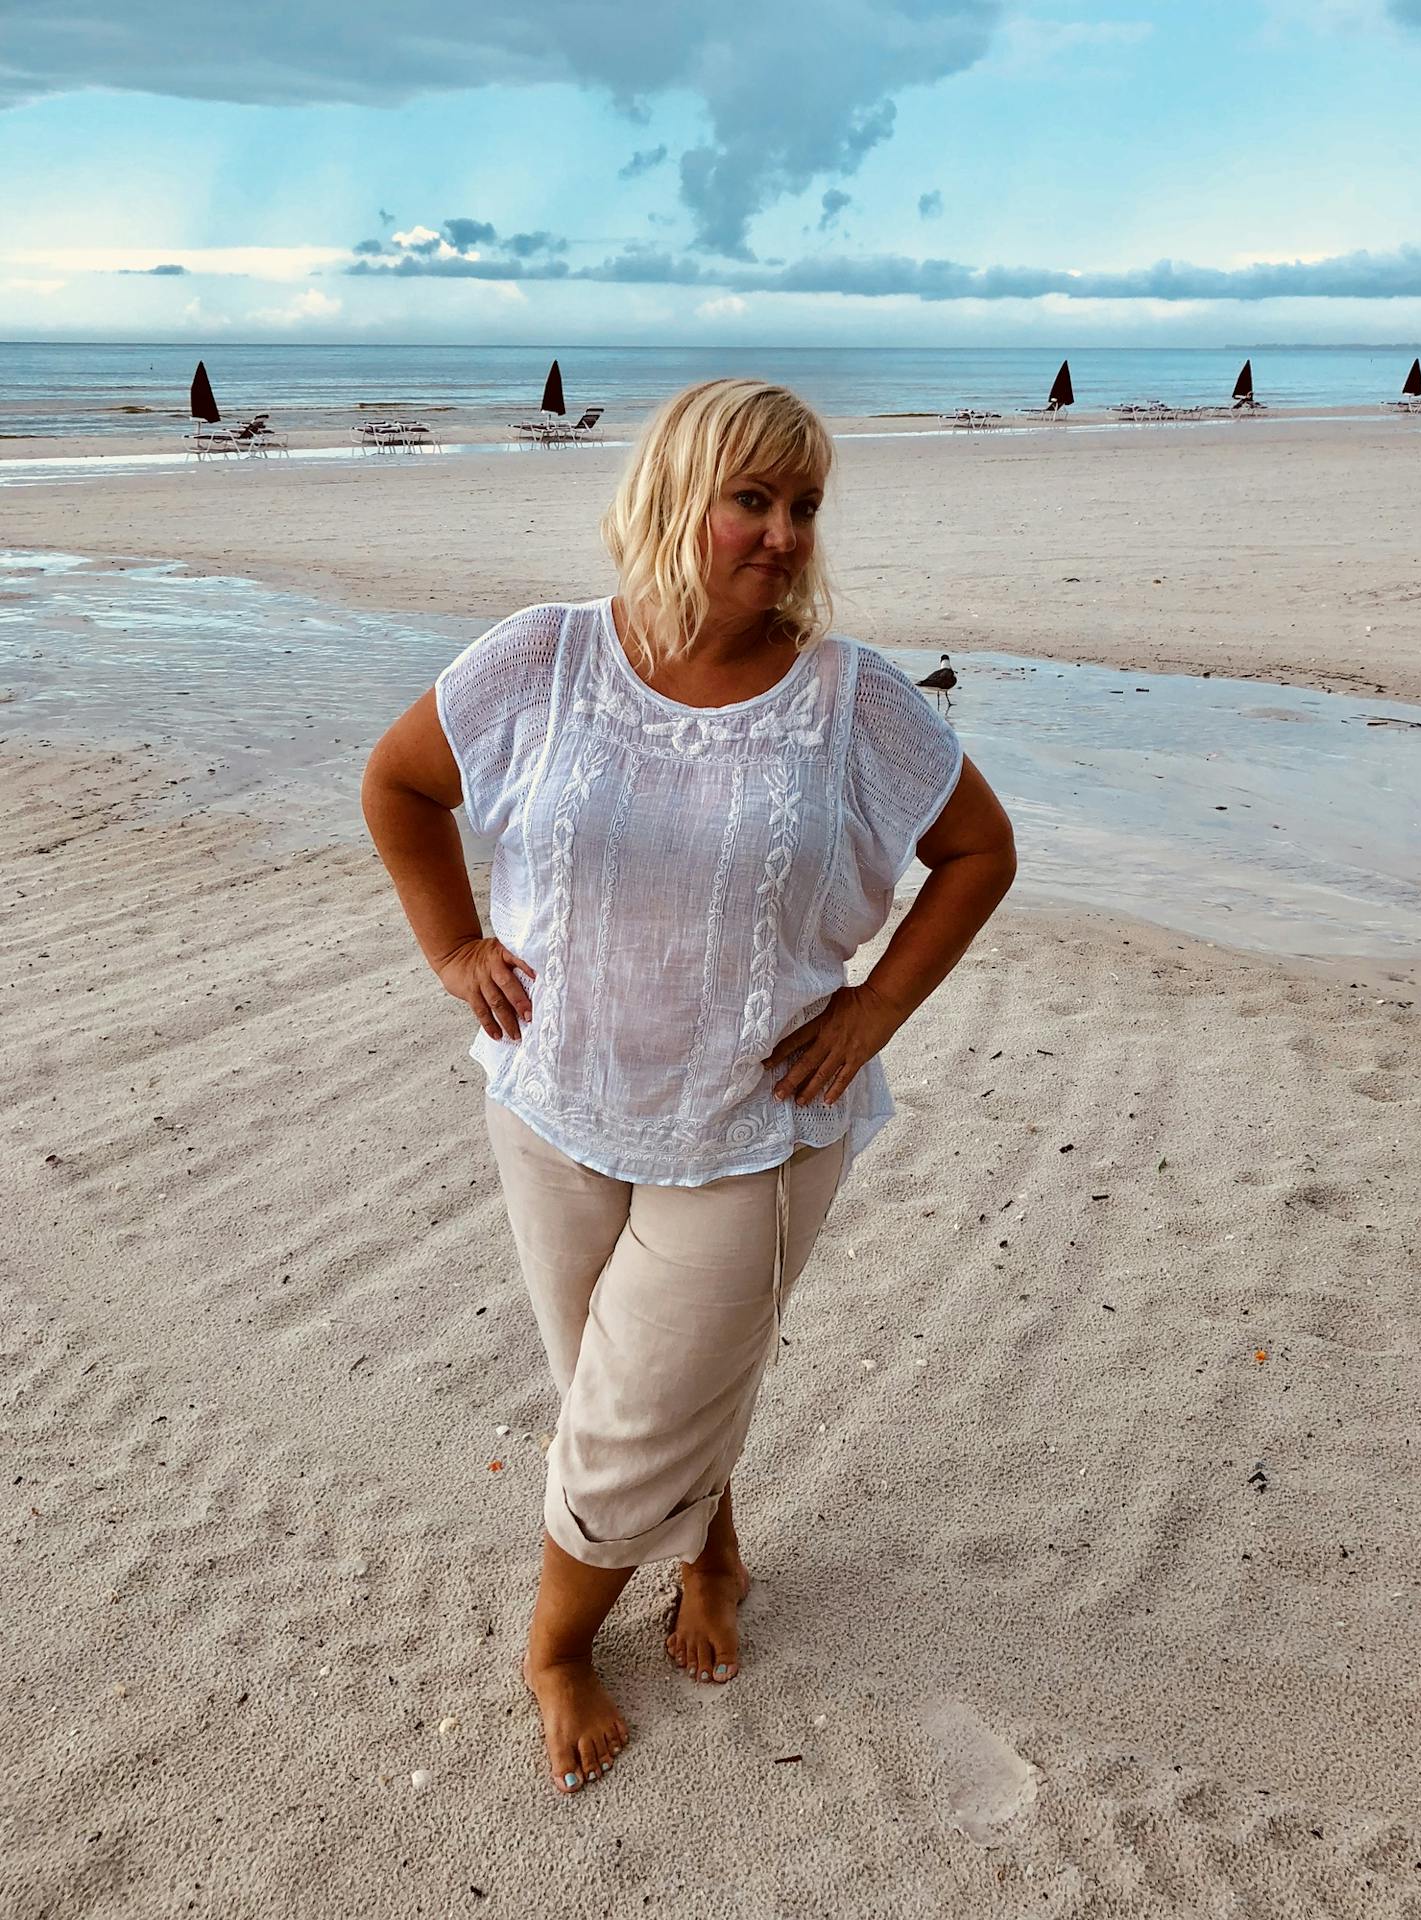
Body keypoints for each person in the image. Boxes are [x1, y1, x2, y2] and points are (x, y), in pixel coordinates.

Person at [361, 378, 1016, 1796]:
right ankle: (711, 1550)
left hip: (757, 1125)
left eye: (804, 508)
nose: (783, 535)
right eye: (753, 501)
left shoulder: (852, 699)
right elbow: (400, 787)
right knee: (620, 1384)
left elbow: (980, 854)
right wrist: (455, 943)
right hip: (554, 1103)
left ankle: (554, 1648)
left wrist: (876, 1011)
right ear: (678, 500)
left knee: (625, 1426)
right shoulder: (542, 660)